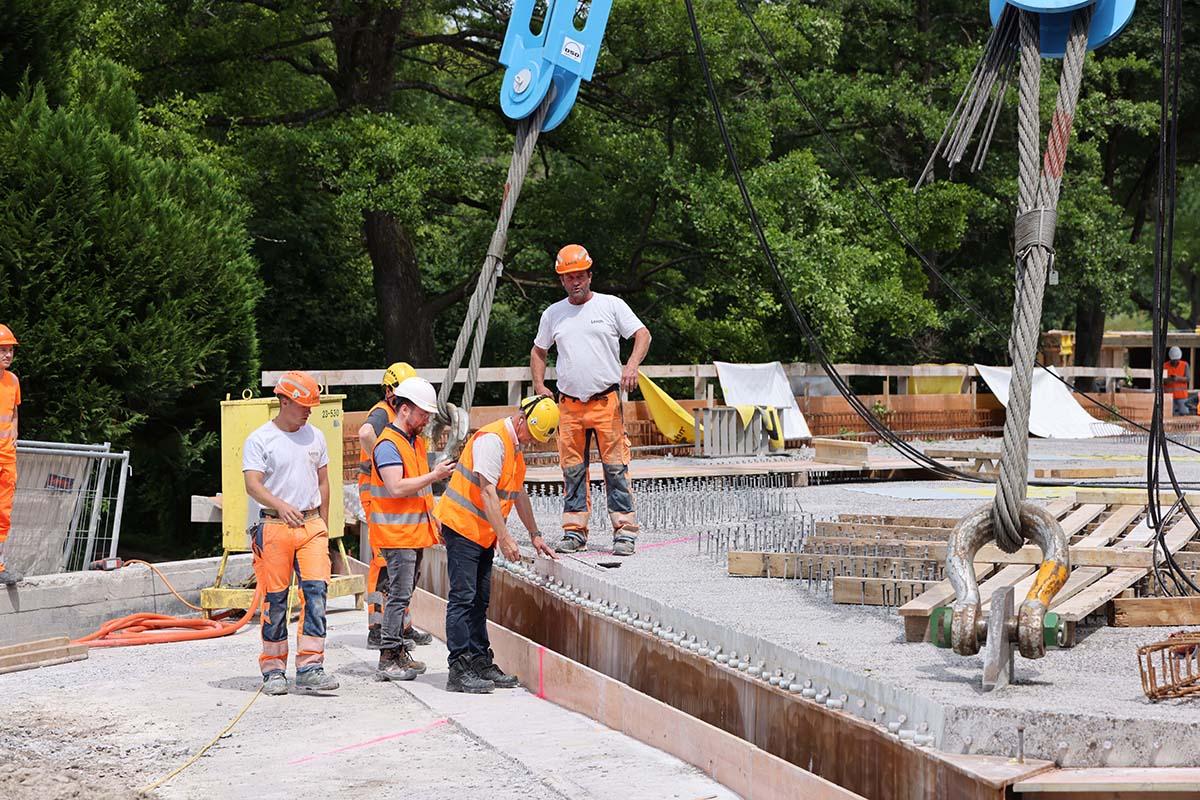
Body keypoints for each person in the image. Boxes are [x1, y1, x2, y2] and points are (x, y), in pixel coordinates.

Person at [530, 244, 651, 556]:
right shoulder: (553, 314)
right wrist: (539, 384)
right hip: (568, 405)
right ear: (562, 281)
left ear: (589, 276)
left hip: (605, 402)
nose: (575, 282)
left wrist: (632, 365)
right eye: (569, 278)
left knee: (615, 467)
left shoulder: (610, 306)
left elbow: (642, 334)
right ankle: (574, 531)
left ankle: (624, 530)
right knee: (572, 470)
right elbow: (539, 350)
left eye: (580, 276)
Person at [433, 396, 560, 693]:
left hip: (481, 535)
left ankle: (479, 660)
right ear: (521, 420)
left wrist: (535, 534)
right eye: (531, 434)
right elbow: (488, 492)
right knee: (463, 598)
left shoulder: (515, 449)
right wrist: (505, 537)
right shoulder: (492, 441)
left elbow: (519, 494)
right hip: (463, 529)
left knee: (479, 600)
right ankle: (459, 668)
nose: (532, 441)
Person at [243, 371, 339, 696]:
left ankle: (311, 666)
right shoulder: (260, 440)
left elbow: (324, 482)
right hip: (275, 527)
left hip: (311, 527)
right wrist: (280, 505)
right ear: (284, 402)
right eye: (303, 405)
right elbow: (252, 484)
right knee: (275, 601)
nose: (309, 410)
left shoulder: (316, 437)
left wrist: (324, 524)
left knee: (316, 595)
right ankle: (273, 670)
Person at [366, 377, 455, 681]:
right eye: (423, 413)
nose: (427, 419)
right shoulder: (389, 444)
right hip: (397, 536)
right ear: (404, 410)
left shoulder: (413, 442)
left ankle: (399, 652)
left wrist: (435, 519)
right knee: (397, 596)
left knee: (401, 595)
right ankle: (389, 657)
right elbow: (396, 487)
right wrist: (435, 475)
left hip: (412, 534)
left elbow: (419, 494)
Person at [357, 362, 432, 649]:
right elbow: (365, 434)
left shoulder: (402, 419)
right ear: (390, 391)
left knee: (400, 572)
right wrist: (384, 461)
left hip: (391, 497)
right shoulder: (383, 413)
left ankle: (401, 625)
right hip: (381, 495)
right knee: (384, 562)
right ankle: (378, 629)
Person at [0, 324, 21, 586]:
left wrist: (15, 431)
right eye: (2, 350)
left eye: (10, 351)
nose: (7, 355)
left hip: (6, 458)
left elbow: (13, 412)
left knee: (2, 514)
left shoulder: (13, 381)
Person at [1164, 346, 1196, 416]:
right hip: (1169, 396)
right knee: (1169, 415)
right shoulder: (1165, 366)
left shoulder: (1184, 365)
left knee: (1184, 415)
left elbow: (1188, 378)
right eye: (1174, 360)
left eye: (1177, 360)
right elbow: (1162, 380)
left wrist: (1178, 378)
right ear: (1170, 358)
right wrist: (1169, 379)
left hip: (1182, 396)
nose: (1175, 361)